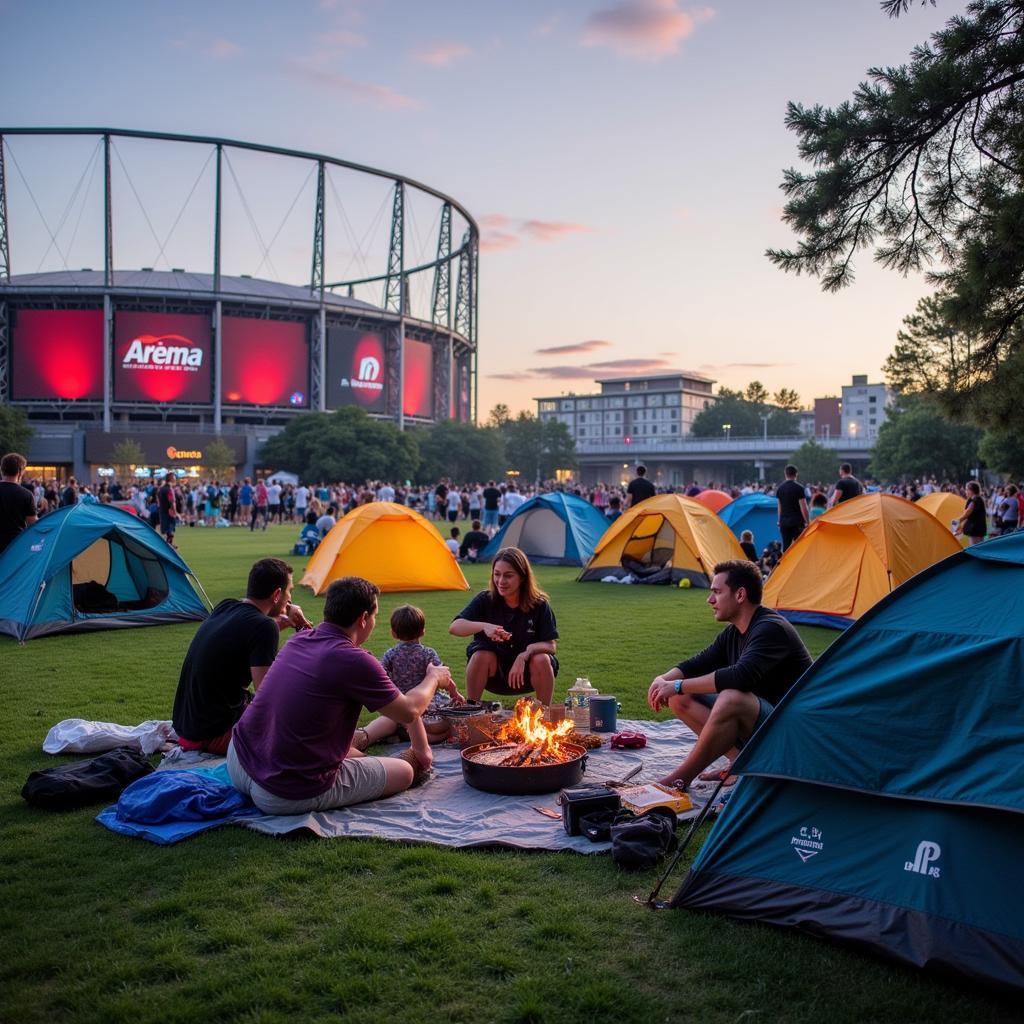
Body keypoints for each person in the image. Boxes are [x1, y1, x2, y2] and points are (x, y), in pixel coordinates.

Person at [226, 577, 455, 812]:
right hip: (284, 789)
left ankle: (365, 745)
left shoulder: (298, 640)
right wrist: (433, 677)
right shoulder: (353, 659)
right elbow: (408, 710)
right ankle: (401, 761)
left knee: (353, 750)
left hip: (238, 760)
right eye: (374, 616)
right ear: (363, 619)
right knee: (404, 771)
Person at [646, 559, 812, 790]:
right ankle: (737, 764)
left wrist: (676, 685)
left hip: (792, 733)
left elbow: (740, 676)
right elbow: (699, 662)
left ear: (740, 595)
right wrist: (663, 680)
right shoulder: (735, 631)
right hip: (764, 725)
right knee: (680, 696)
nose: (710, 600)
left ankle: (678, 780)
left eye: (716, 592)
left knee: (731, 698)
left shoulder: (771, 629)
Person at [172, 558, 313, 755]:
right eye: (289, 592)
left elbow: (248, 637)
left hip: (187, 726)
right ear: (277, 594)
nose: (290, 599)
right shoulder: (264, 627)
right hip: (213, 733)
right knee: (301, 727)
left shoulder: (226, 606)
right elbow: (268, 694)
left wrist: (283, 620)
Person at [351, 604, 462, 773]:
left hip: (399, 706)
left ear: (394, 633)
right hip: (427, 705)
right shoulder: (428, 654)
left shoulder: (391, 654)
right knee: (447, 725)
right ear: (423, 631)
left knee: (395, 720)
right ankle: (433, 736)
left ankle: (401, 733)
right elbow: (444, 678)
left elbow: (380, 675)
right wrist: (455, 693)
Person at [450, 546, 559, 706]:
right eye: (497, 574)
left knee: (541, 658)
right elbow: (455, 627)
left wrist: (525, 654)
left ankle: (544, 715)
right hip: (495, 676)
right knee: (481, 655)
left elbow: (550, 646)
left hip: (528, 675)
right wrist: (484, 626)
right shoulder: (485, 600)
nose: (501, 581)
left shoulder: (539, 605)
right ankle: (471, 710)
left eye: (508, 576)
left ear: (522, 577)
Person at [0, 452, 38, 555]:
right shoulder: (26, 495)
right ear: (20, 472)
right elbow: (33, 524)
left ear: (2, 470)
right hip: (15, 547)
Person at [776, 464, 809, 551]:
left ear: (785, 474)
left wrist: (779, 520)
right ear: (796, 474)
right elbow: (804, 507)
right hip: (797, 522)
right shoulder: (799, 488)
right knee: (800, 547)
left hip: (784, 522)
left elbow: (779, 507)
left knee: (786, 547)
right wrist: (807, 522)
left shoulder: (780, 489)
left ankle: (785, 564)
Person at [954, 481, 987, 546]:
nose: (965, 491)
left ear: (971, 490)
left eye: (967, 489)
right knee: (977, 548)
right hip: (978, 530)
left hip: (976, 530)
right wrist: (961, 528)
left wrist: (956, 522)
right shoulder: (977, 499)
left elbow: (966, 514)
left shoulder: (975, 501)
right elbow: (968, 516)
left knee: (975, 549)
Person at [157, 472, 178, 549]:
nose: (175, 478)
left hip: (162, 511)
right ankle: (168, 546)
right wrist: (174, 511)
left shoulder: (161, 489)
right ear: (171, 478)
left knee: (166, 530)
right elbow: (172, 501)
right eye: (174, 477)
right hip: (169, 511)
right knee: (170, 529)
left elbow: (159, 501)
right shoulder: (169, 489)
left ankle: (168, 545)